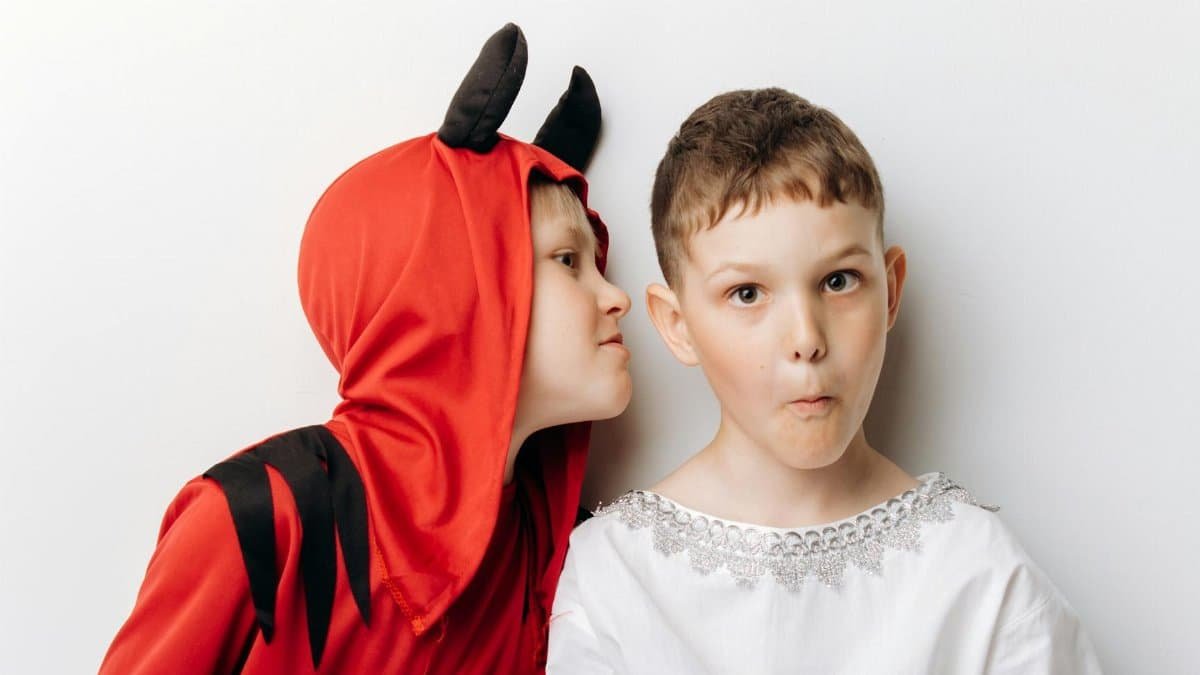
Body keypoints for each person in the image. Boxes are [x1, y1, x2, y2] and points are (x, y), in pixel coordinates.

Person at [101, 23, 632, 674]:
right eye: (569, 260)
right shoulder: (253, 520)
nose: (618, 297)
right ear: (453, 286)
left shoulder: (557, 553)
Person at [547, 87, 1101, 673]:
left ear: (890, 290)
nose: (806, 339)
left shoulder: (979, 574)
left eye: (838, 281)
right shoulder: (616, 576)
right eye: (747, 294)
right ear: (678, 325)